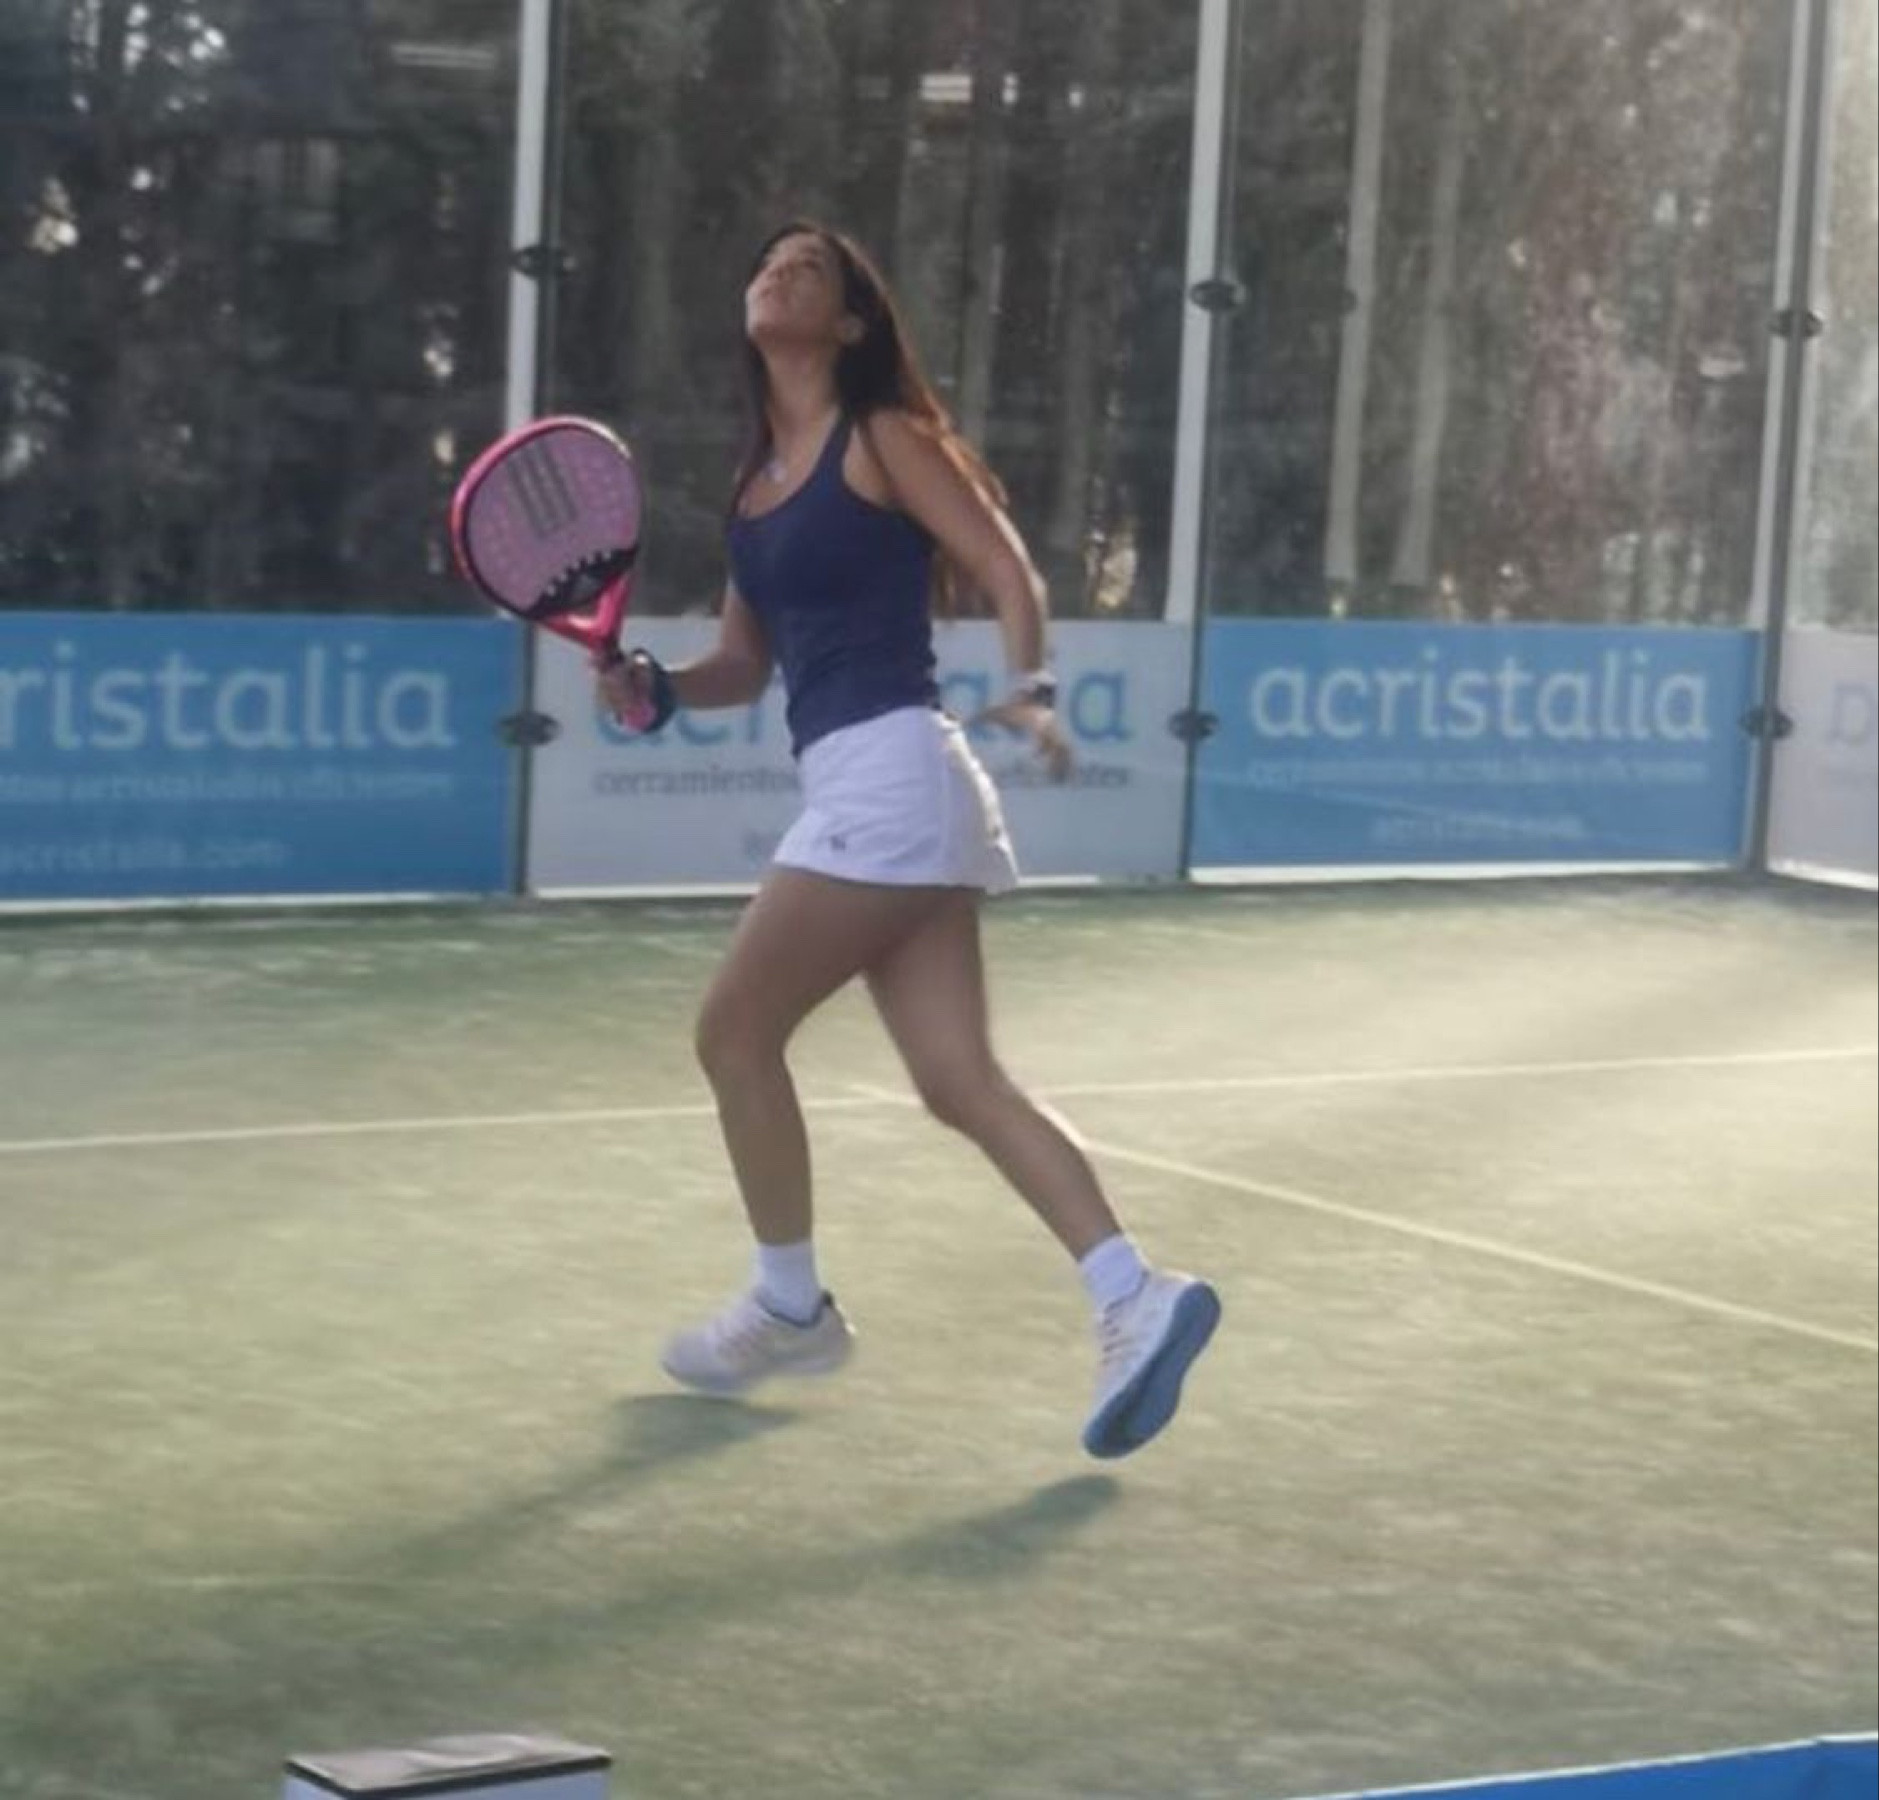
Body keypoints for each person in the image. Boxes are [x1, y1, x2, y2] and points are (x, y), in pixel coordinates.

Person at [598, 220, 1219, 1459]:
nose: (779, 271)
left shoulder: (879, 437)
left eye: (811, 269)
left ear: (848, 325)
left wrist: (1032, 686)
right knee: (959, 1083)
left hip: (892, 776)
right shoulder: (751, 490)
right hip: (876, 785)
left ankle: (789, 1306)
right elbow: (743, 665)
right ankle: (1134, 1293)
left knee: (733, 1032)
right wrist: (657, 689)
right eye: (767, 261)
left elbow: (1003, 565)